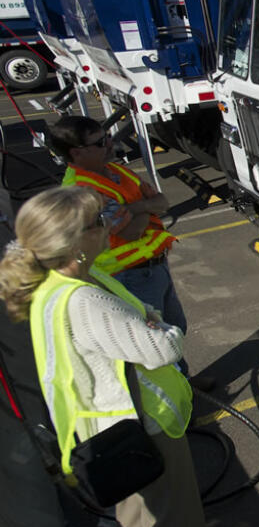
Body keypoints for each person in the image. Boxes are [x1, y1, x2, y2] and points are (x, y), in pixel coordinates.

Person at [0, 186, 223, 527]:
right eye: (97, 222)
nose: (107, 227)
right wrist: (166, 330)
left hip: (109, 436)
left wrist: (146, 320)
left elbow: (135, 319)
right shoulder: (85, 298)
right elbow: (160, 347)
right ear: (76, 242)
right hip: (145, 430)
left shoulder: (63, 283)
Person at [47, 116, 213, 390]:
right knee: (155, 343)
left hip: (154, 267)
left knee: (175, 329)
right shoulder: (82, 191)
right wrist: (144, 206)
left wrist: (134, 208)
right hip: (130, 277)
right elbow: (131, 232)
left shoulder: (116, 171)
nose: (110, 143)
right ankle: (175, 402)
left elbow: (162, 202)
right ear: (77, 152)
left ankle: (185, 386)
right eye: (100, 142)